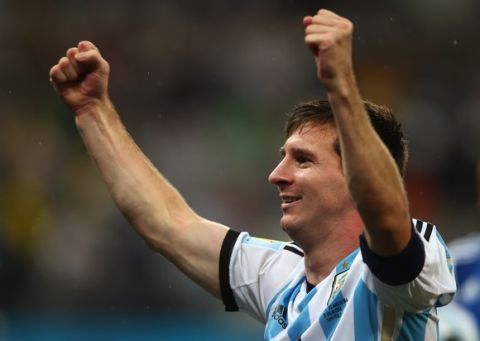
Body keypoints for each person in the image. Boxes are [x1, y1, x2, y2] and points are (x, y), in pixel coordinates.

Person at [49, 9, 456, 340]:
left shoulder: (394, 273)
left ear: (354, 175)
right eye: (284, 157)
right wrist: (92, 111)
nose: (276, 175)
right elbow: (167, 224)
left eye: (303, 160)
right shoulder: (281, 275)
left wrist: (342, 86)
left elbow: (385, 217)